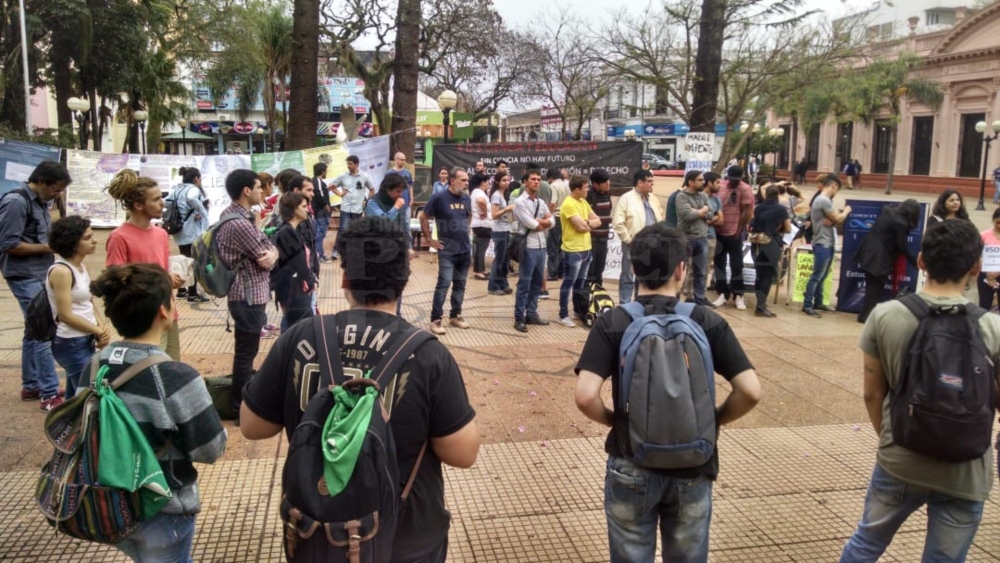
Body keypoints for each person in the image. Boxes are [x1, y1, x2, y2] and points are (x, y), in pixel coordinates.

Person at [239, 216, 480, 563]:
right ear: (405, 279)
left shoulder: (301, 336)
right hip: (406, 537)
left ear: (346, 277)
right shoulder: (428, 354)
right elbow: (463, 454)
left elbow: (253, 425)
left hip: (318, 531)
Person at [574, 222, 761, 563]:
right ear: (681, 269)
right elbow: (750, 391)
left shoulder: (613, 321)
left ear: (633, 268)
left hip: (631, 462)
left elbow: (585, 396)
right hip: (693, 463)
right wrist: (710, 420)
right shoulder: (706, 320)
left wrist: (620, 423)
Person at [839, 219, 999, 562]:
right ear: (975, 266)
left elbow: (872, 394)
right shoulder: (993, 327)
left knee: (865, 544)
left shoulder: (885, 316)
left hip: (901, 459)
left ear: (922, 260)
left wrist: (891, 436)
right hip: (966, 468)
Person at [86, 263, 226, 563]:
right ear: (164, 312)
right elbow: (211, 449)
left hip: (110, 503)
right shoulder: (175, 376)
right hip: (163, 508)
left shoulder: (96, 364)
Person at [0, 160, 69, 410]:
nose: (57, 194)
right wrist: (50, 248)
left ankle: (32, 385)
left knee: (33, 330)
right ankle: (49, 393)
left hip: (40, 272)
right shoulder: (16, 202)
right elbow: (8, 244)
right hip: (23, 275)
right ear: (40, 182)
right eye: (55, 189)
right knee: (44, 330)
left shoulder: (40, 202)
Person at [216, 169, 278, 416]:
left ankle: (240, 401)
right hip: (247, 295)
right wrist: (272, 254)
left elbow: (268, 247)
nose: (262, 191)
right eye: (258, 186)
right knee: (246, 353)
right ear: (246, 191)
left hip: (247, 294)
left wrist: (272, 252)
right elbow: (265, 254)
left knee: (247, 350)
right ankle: (239, 406)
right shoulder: (240, 223)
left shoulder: (234, 215)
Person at [105, 170, 185, 361]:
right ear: (139, 205)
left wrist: (171, 278)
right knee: (149, 368)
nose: (162, 203)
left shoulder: (161, 234)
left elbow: (163, 268)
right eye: (156, 199)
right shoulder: (119, 237)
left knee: (172, 367)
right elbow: (115, 279)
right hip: (143, 319)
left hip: (166, 311)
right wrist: (160, 279)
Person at [46, 216, 111, 398]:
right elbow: (65, 315)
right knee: (88, 395)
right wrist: (96, 328)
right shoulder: (61, 271)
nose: (94, 240)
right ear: (72, 243)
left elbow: (88, 302)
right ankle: (75, 426)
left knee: (76, 394)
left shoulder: (81, 267)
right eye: (87, 238)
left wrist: (100, 327)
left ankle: (67, 425)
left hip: (84, 337)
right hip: (70, 341)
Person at [419, 167, 473, 335]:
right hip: (447, 251)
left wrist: (465, 230)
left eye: (467, 180)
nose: (466, 183)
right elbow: (423, 217)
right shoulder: (439, 197)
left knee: (460, 284)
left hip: (464, 250)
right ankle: (436, 320)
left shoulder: (466, 198)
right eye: (463, 180)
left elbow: (468, 215)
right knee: (443, 284)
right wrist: (429, 240)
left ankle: (455, 316)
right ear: (452, 181)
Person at [855, 200, 921, 323]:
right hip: (879, 255)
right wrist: (914, 261)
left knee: (871, 285)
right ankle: (865, 316)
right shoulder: (900, 223)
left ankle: (865, 314)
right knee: (875, 287)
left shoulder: (887, 211)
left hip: (868, 249)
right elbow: (902, 245)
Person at [611, 169, 664, 304]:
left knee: (645, 276)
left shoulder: (654, 199)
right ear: (640, 182)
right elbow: (618, 222)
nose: (652, 184)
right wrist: (629, 240)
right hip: (633, 244)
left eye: (653, 181)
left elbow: (660, 218)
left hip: (652, 244)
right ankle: (625, 305)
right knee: (628, 275)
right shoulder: (626, 198)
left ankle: (640, 303)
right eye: (649, 181)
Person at [802, 175, 850, 318]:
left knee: (822, 276)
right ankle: (808, 305)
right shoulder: (823, 200)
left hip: (827, 242)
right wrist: (847, 210)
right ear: (834, 186)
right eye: (837, 190)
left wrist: (834, 219)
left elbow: (834, 219)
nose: (836, 193)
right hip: (822, 242)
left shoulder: (824, 200)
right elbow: (838, 218)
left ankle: (818, 301)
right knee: (817, 275)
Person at [513, 170, 554, 332]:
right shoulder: (520, 202)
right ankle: (519, 317)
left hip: (541, 246)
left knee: (537, 283)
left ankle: (531, 313)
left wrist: (542, 221)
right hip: (528, 246)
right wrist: (544, 222)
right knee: (524, 282)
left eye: (538, 179)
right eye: (533, 179)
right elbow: (532, 224)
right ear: (525, 182)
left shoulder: (540, 202)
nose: (536, 182)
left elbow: (553, 221)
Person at [558, 175, 601, 327]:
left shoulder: (583, 202)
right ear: (577, 189)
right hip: (573, 249)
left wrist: (587, 222)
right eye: (585, 187)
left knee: (581, 283)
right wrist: (588, 224)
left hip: (586, 248)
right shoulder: (569, 204)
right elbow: (581, 227)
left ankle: (578, 310)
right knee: (569, 282)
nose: (588, 189)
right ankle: (563, 314)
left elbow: (598, 220)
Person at [712, 165, 753, 310]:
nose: (734, 182)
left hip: (735, 231)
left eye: (737, 180)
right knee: (719, 264)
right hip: (719, 231)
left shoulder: (745, 189)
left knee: (737, 265)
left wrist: (739, 229)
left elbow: (746, 211)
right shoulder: (721, 186)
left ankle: (738, 294)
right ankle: (722, 293)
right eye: (732, 179)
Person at [272, 192, 316, 328]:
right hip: (293, 289)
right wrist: (310, 282)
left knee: (294, 326)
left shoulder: (292, 230)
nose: (307, 209)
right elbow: (299, 263)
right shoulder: (287, 231)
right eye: (303, 206)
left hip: (294, 287)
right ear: (293, 209)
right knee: (301, 327)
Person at [675, 169, 716, 307]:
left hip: (702, 238)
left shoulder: (703, 196)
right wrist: (702, 210)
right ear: (691, 182)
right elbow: (688, 216)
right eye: (700, 180)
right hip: (686, 238)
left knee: (701, 271)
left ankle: (699, 300)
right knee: (680, 270)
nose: (703, 182)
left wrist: (699, 211)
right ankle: (675, 300)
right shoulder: (681, 197)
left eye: (703, 179)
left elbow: (711, 215)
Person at [749, 185, 791, 318]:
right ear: (777, 194)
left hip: (756, 242)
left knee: (759, 273)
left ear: (766, 194)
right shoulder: (781, 209)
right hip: (771, 242)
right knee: (768, 275)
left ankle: (760, 302)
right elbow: (788, 228)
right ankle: (760, 306)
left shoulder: (758, 207)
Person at [170, 167, 210, 302]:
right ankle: (193, 293)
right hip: (191, 231)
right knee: (193, 261)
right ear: (196, 179)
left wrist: (189, 212)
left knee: (184, 259)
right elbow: (191, 198)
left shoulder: (176, 189)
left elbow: (169, 201)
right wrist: (201, 210)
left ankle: (181, 290)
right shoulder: (193, 189)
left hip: (179, 230)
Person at [330, 155, 375, 260]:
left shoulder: (364, 176)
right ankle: (336, 251)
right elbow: (332, 186)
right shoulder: (343, 176)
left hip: (358, 208)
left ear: (356, 164)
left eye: (350, 164)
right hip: (345, 208)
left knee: (357, 230)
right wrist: (340, 194)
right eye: (347, 164)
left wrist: (366, 200)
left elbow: (372, 189)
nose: (348, 166)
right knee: (342, 230)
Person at [487, 170, 515, 295]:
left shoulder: (505, 195)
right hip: (499, 231)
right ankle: (493, 286)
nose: (506, 183)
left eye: (508, 180)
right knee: (499, 259)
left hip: (507, 229)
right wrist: (507, 209)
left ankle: (503, 284)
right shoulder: (496, 195)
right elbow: (494, 215)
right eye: (503, 180)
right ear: (497, 182)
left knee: (505, 259)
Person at [586, 169, 613, 285]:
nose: (608, 184)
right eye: (604, 182)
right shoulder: (588, 195)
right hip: (591, 241)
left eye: (608, 181)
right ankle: (586, 298)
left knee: (599, 272)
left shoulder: (607, 194)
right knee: (589, 272)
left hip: (603, 240)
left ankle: (598, 297)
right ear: (595, 184)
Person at [703, 172, 724, 292]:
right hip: (696, 235)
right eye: (717, 182)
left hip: (711, 236)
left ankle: (701, 292)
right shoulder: (698, 197)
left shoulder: (716, 200)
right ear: (709, 183)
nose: (719, 185)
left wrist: (709, 219)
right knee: (692, 266)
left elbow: (721, 220)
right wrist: (712, 217)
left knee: (706, 267)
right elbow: (695, 217)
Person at [470, 173, 493, 281]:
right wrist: (484, 212)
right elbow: (480, 201)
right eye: (488, 181)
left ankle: (481, 270)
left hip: (479, 224)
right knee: (481, 249)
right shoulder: (479, 192)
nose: (489, 183)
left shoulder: (475, 192)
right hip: (483, 224)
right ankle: (479, 272)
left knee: (481, 248)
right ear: (482, 182)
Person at [546, 168, 569, 281]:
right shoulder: (567, 185)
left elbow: (552, 203)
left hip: (555, 217)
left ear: (550, 178)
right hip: (565, 218)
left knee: (552, 247)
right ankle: (562, 272)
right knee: (561, 246)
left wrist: (549, 215)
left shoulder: (553, 186)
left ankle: (552, 273)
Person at [978, 207, 1000, 311]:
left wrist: (997, 273)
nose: (999, 225)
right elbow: (976, 254)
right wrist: (989, 274)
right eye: (997, 222)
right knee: (984, 306)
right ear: (993, 220)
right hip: (985, 274)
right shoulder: (983, 235)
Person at [310, 162, 332, 262]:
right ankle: (319, 255)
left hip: (318, 211)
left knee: (317, 233)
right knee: (320, 233)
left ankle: (317, 255)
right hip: (321, 211)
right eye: (326, 170)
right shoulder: (317, 181)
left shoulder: (314, 180)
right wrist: (326, 206)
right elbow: (319, 194)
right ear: (323, 171)